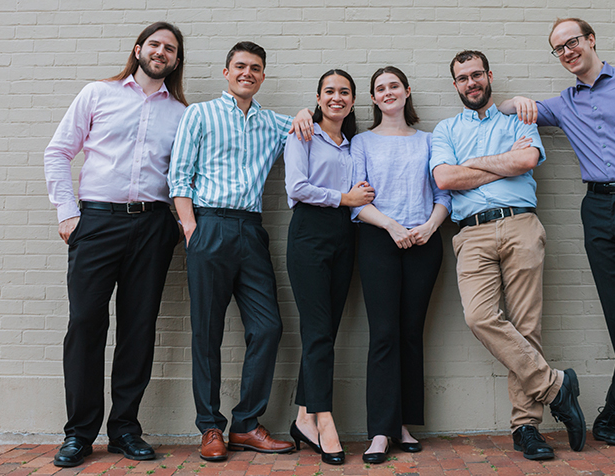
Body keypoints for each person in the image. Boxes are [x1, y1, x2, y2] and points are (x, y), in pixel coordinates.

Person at [500, 17, 615, 446]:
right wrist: (518, 100)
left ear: (590, 40)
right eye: (558, 48)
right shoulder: (564, 103)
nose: (567, 51)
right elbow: (504, 111)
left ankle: (614, 406)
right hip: (599, 209)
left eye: (572, 42)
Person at [430, 50, 586, 461]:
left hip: (520, 223)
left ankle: (526, 428)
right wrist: (504, 165)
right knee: (479, 316)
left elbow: (527, 159)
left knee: (526, 325)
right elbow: (445, 177)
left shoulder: (519, 118)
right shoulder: (445, 129)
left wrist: (475, 166)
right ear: (455, 85)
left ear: (489, 75)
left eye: (476, 74)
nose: (471, 83)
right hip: (471, 233)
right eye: (462, 78)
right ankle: (555, 386)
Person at [43, 22, 187, 467]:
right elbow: (58, 151)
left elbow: (186, 174)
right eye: (156, 45)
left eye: (171, 49)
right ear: (139, 49)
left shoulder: (182, 113)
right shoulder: (98, 94)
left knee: (138, 329)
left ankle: (125, 429)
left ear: (176, 60)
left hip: (152, 226)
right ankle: (79, 434)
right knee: (85, 325)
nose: (161, 52)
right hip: (97, 222)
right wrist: (68, 214)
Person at [169, 41, 315, 461]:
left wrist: (306, 112)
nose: (247, 72)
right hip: (208, 226)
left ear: (263, 76)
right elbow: (179, 176)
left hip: (251, 230)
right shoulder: (200, 114)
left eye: (255, 67)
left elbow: (310, 125)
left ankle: (247, 424)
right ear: (226, 72)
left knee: (267, 327)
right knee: (207, 333)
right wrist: (191, 227)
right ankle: (210, 428)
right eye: (239, 66)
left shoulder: (273, 123)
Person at [349, 66, 450, 464]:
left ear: (407, 92)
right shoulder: (362, 142)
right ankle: (379, 431)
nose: (388, 92)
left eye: (394, 86)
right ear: (374, 99)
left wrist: (429, 225)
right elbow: (359, 199)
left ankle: (403, 425)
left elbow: (444, 194)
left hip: (425, 240)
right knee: (384, 334)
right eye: (380, 89)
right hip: (379, 239)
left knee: (410, 333)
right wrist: (392, 226)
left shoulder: (430, 139)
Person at [285, 69, 374, 466]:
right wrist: (344, 197)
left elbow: (360, 195)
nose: (337, 97)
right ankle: (324, 421)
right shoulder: (302, 133)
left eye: (344, 92)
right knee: (318, 331)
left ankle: (303, 415)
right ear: (318, 98)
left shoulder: (352, 146)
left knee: (326, 331)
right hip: (309, 233)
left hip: (344, 237)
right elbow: (297, 188)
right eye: (329, 91)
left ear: (353, 101)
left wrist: (353, 201)